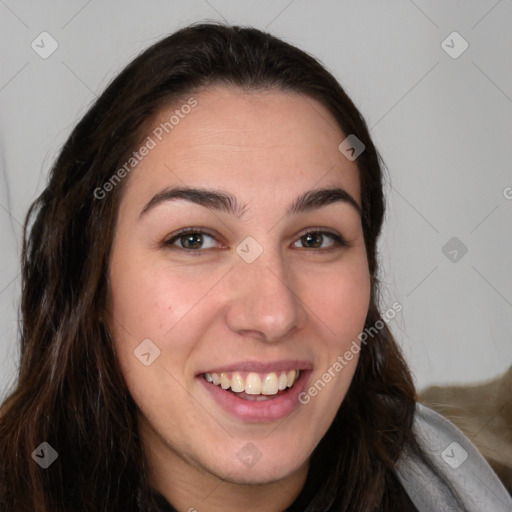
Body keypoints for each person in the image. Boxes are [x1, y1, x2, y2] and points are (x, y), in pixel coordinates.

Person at [0, 22, 510, 512]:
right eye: (194, 239)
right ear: (90, 277)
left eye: (315, 238)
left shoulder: (463, 483)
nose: (273, 315)